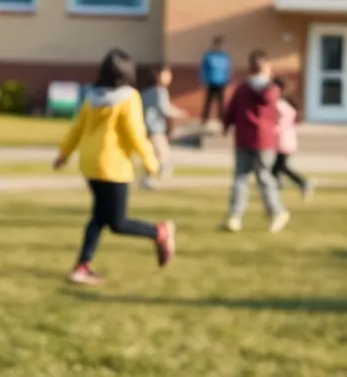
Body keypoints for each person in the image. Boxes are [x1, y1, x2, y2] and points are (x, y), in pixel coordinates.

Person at [53, 48, 175, 285]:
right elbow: (135, 134)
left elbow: (77, 127)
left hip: (91, 165)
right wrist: (151, 162)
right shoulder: (129, 98)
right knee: (117, 223)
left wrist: (64, 154)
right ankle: (159, 232)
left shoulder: (91, 96)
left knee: (98, 218)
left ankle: (81, 266)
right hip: (113, 167)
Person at [221, 50, 290, 233]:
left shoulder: (242, 89)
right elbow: (276, 112)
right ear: (266, 67)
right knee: (264, 176)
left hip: (245, 137)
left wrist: (226, 126)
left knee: (241, 178)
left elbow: (231, 110)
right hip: (265, 139)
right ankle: (276, 211)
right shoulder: (272, 89)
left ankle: (235, 216)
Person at [140, 64, 186, 190]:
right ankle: (153, 176)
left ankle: (149, 178)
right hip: (155, 128)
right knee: (161, 154)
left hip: (145, 127)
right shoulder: (159, 91)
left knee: (152, 154)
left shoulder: (145, 92)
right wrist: (180, 114)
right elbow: (165, 109)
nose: (169, 77)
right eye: (166, 74)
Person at [271, 77, 312, 199]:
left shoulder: (279, 105)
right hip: (289, 138)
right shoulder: (289, 103)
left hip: (281, 139)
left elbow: (277, 123)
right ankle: (276, 189)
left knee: (279, 167)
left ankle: (302, 182)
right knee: (278, 167)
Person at [199, 36, 232, 128]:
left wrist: (228, 79)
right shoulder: (208, 56)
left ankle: (223, 121)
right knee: (208, 101)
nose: (219, 47)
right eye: (217, 44)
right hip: (211, 81)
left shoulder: (225, 57)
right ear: (214, 45)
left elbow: (228, 69)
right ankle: (204, 120)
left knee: (221, 103)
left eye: (221, 45)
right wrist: (203, 79)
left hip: (221, 82)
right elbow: (203, 69)